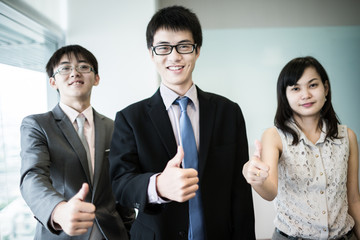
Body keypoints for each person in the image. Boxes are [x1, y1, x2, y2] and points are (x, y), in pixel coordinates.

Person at [109, 5, 255, 240]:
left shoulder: (229, 112)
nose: (175, 56)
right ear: (151, 53)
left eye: (184, 47)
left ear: (197, 51)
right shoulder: (130, 118)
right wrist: (157, 186)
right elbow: (120, 185)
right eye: (164, 48)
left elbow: (240, 192)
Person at [20, 44, 134, 240]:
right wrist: (58, 210)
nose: (74, 73)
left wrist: (130, 229)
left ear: (96, 78)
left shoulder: (114, 127)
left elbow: (120, 183)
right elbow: (33, 176)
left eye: (83, 67)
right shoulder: (37, 125)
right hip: (62, 234)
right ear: (53, 82)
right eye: (65, 68)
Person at [243, 56, 360, 239]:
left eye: (313, 85)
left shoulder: (348, 136)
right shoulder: (274, 136)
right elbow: (270, 191)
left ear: (326, 88)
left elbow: (353, 199)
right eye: (296, 88)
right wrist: (255, 178)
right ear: (285, 95)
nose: (305, 94)